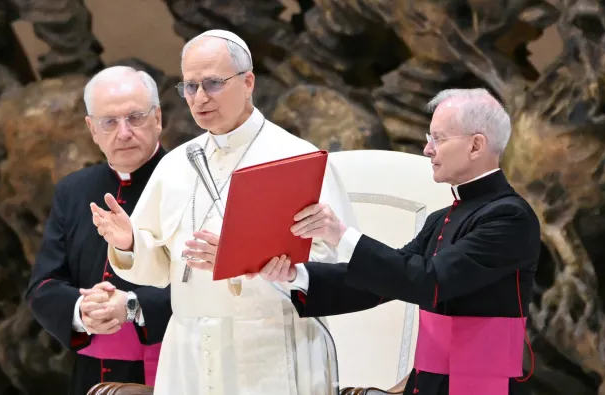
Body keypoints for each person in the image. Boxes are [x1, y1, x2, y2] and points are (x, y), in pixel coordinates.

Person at [89, 30, 358, 395]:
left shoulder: (296, 159)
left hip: (268, 349)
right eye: (189, 86)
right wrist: (129, 243)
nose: (199, 98)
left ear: (248, 82)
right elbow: (160, 271)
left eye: (213, 84)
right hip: (190, 349)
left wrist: (238, 258)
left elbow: (335, 263)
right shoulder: (175, 165)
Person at [282, 88, 540, 395]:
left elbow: (431, 281)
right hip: (428, 383)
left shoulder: (510, 217)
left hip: (480, 384)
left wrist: (341, 234)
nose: (427, 149)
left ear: (476, 145)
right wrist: (296, 276)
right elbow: (383, 282)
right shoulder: (442, 217)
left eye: (438, 138)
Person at [25, 65, 172, 395]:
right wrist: (82, 311)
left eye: (135, 117)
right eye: (109, 122)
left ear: (158, 118)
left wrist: (132, 307)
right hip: (93, 380)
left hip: (176, 370)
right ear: (92, 129)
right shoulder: (73, 191)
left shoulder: (191, 182)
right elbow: (42, 286)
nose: (123, 132)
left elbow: (209, 287)